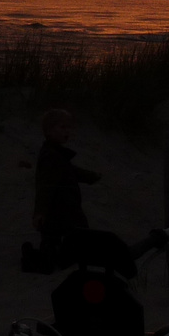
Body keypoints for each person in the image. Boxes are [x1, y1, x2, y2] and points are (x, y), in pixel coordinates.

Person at [33, 108, 101, 266]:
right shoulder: (50, 155)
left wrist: (91, 176)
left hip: (66, 207)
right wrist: (40, 212)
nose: (67, 131)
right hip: (60, 207)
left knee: (65, 238)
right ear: (49, 131)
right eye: (62, 127)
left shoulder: (57, 154)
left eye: (68, 127)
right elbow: (45, 185)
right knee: (73, 236)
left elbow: (71, 171)